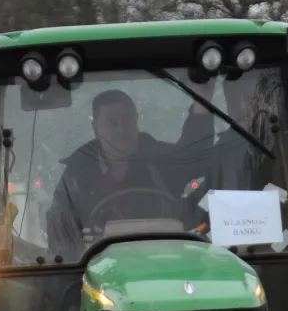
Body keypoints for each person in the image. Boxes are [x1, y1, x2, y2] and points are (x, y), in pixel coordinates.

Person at [46, 90, 211, 258]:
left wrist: (202, 103)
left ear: (136, 120)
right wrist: (80, 246)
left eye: (127, 120)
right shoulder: (76, 175)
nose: (122, 129)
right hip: (96, 266)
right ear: (95, 128)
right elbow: (60, 228)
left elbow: (196, 157)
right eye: (112, 122)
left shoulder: (162, 161)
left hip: (162, 261)